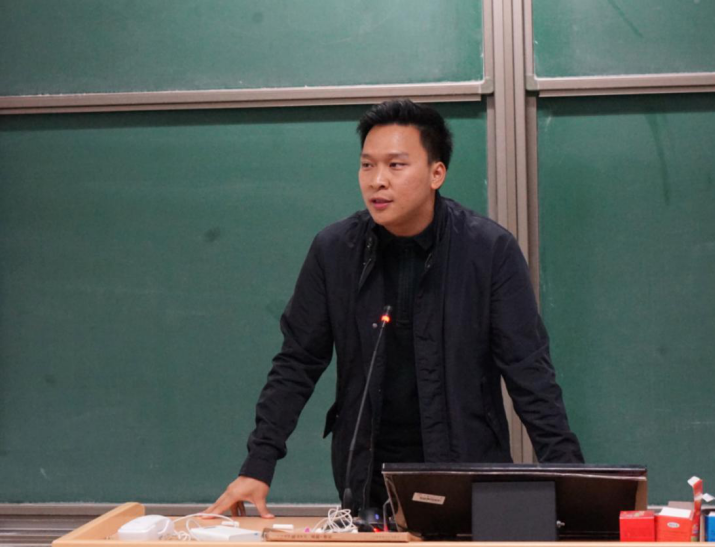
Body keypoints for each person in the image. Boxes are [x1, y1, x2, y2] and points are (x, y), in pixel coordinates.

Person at [207, 99, 583, 518]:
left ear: (436, 173)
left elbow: (530, 374)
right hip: (367, 486)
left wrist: (573, 484)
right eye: (367, 166)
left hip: (470, 483)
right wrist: (258, 464)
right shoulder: (334, 251)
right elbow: (297, 363)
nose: (377, 181)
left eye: (396, 165)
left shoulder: (488, 251)